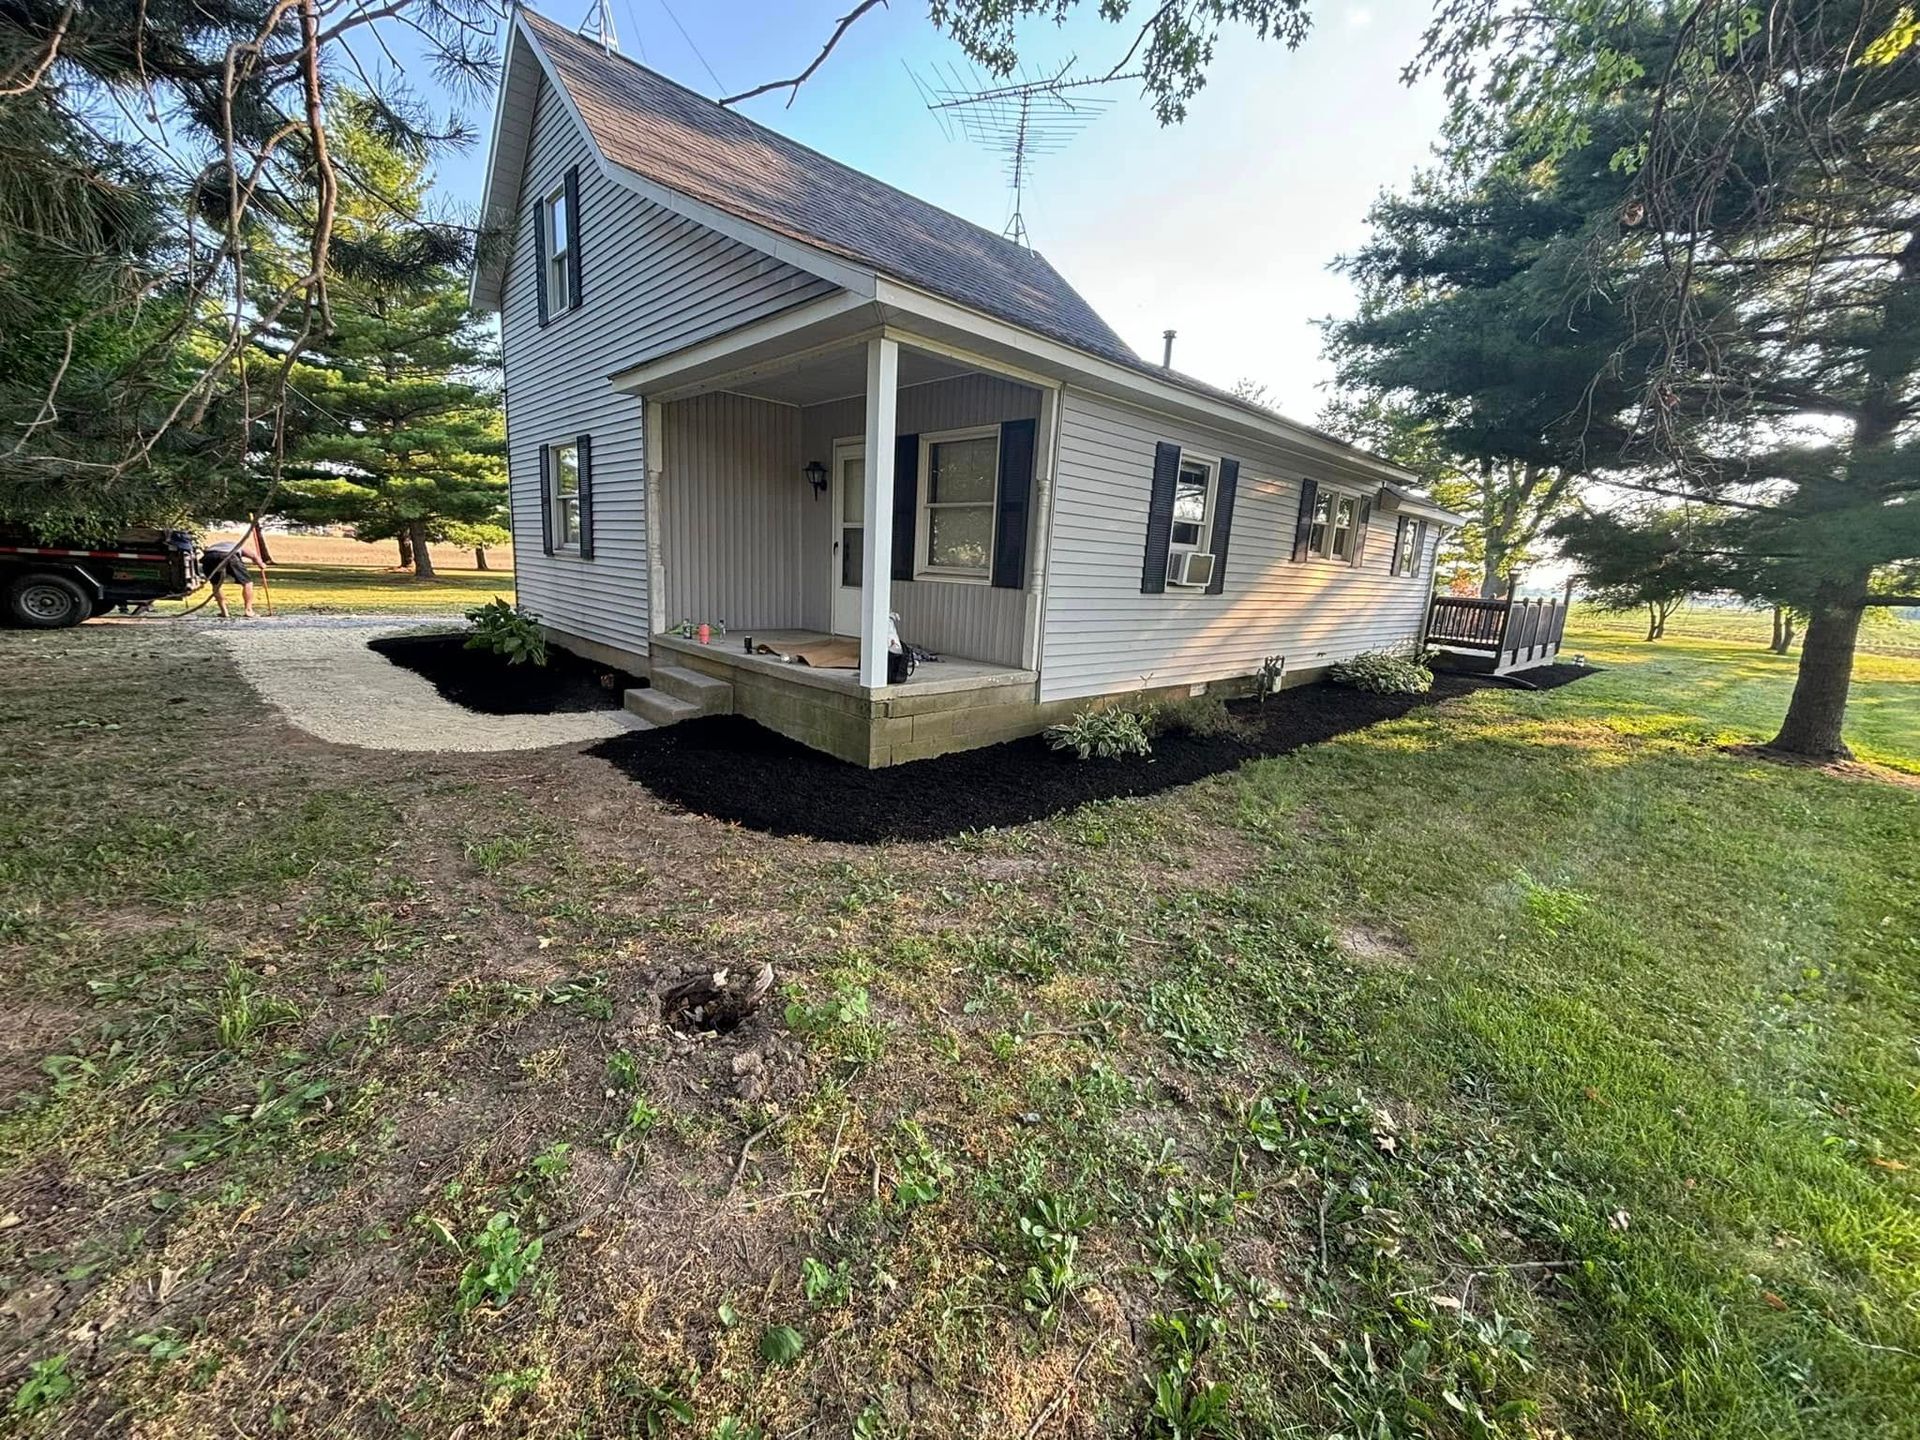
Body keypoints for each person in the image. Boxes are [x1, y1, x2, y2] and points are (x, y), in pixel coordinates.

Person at [202, 539, 264, 618]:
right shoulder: (240, 545)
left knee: (216, 585)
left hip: (208, 557)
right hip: (229, 555)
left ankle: (224, 612)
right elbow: (254, 556)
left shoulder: (214, 546)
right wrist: (261, 564)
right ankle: (249, 611)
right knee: (247, 583)